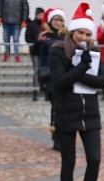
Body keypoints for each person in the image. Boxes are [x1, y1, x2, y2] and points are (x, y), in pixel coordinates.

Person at [49, 1, 104, 181]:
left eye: (87, 34)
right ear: (72, 31)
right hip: (66, 112)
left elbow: (103, 81)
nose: (84, 37)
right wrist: (81, 68)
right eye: (80, 33)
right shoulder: (58, 51)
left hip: (90, 113)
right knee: (69, 161)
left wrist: (80, 72)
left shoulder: (93, 52)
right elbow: (59, 83)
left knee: (95, 158)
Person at [37, 7, 65, 150]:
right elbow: (40, 59)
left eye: (61, 20)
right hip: (52, 79)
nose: (58, 23)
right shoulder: (46, 38)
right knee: (56, 110)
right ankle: (56, 138)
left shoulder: (66, 37)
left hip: (64, 79)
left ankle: (63, 136)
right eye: (56, 20)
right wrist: (39, 42)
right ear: (51, 21)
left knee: (64, 110)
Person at [25, 6, 44, 100]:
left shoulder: (45, 25)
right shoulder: (31, 24)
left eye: (42, 15)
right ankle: (35, 92)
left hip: (44, 51)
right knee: (36, 71)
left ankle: (45, 91)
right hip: (35, 52)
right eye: (39, 15)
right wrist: (34, 44)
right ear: (36, 15)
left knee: (44, 70)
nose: (41, 16)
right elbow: (27, 37)